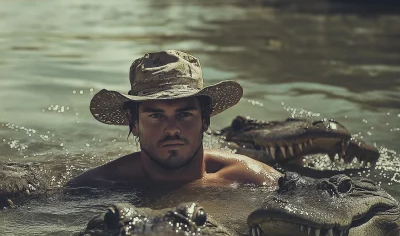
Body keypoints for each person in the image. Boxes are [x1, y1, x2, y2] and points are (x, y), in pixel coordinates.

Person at [68, 50, 280, 188]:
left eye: (184, 114)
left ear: (205, 120)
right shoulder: (97, 185)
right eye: (156, 116)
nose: (172, 129)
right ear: (134, 124)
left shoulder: (254, 179)